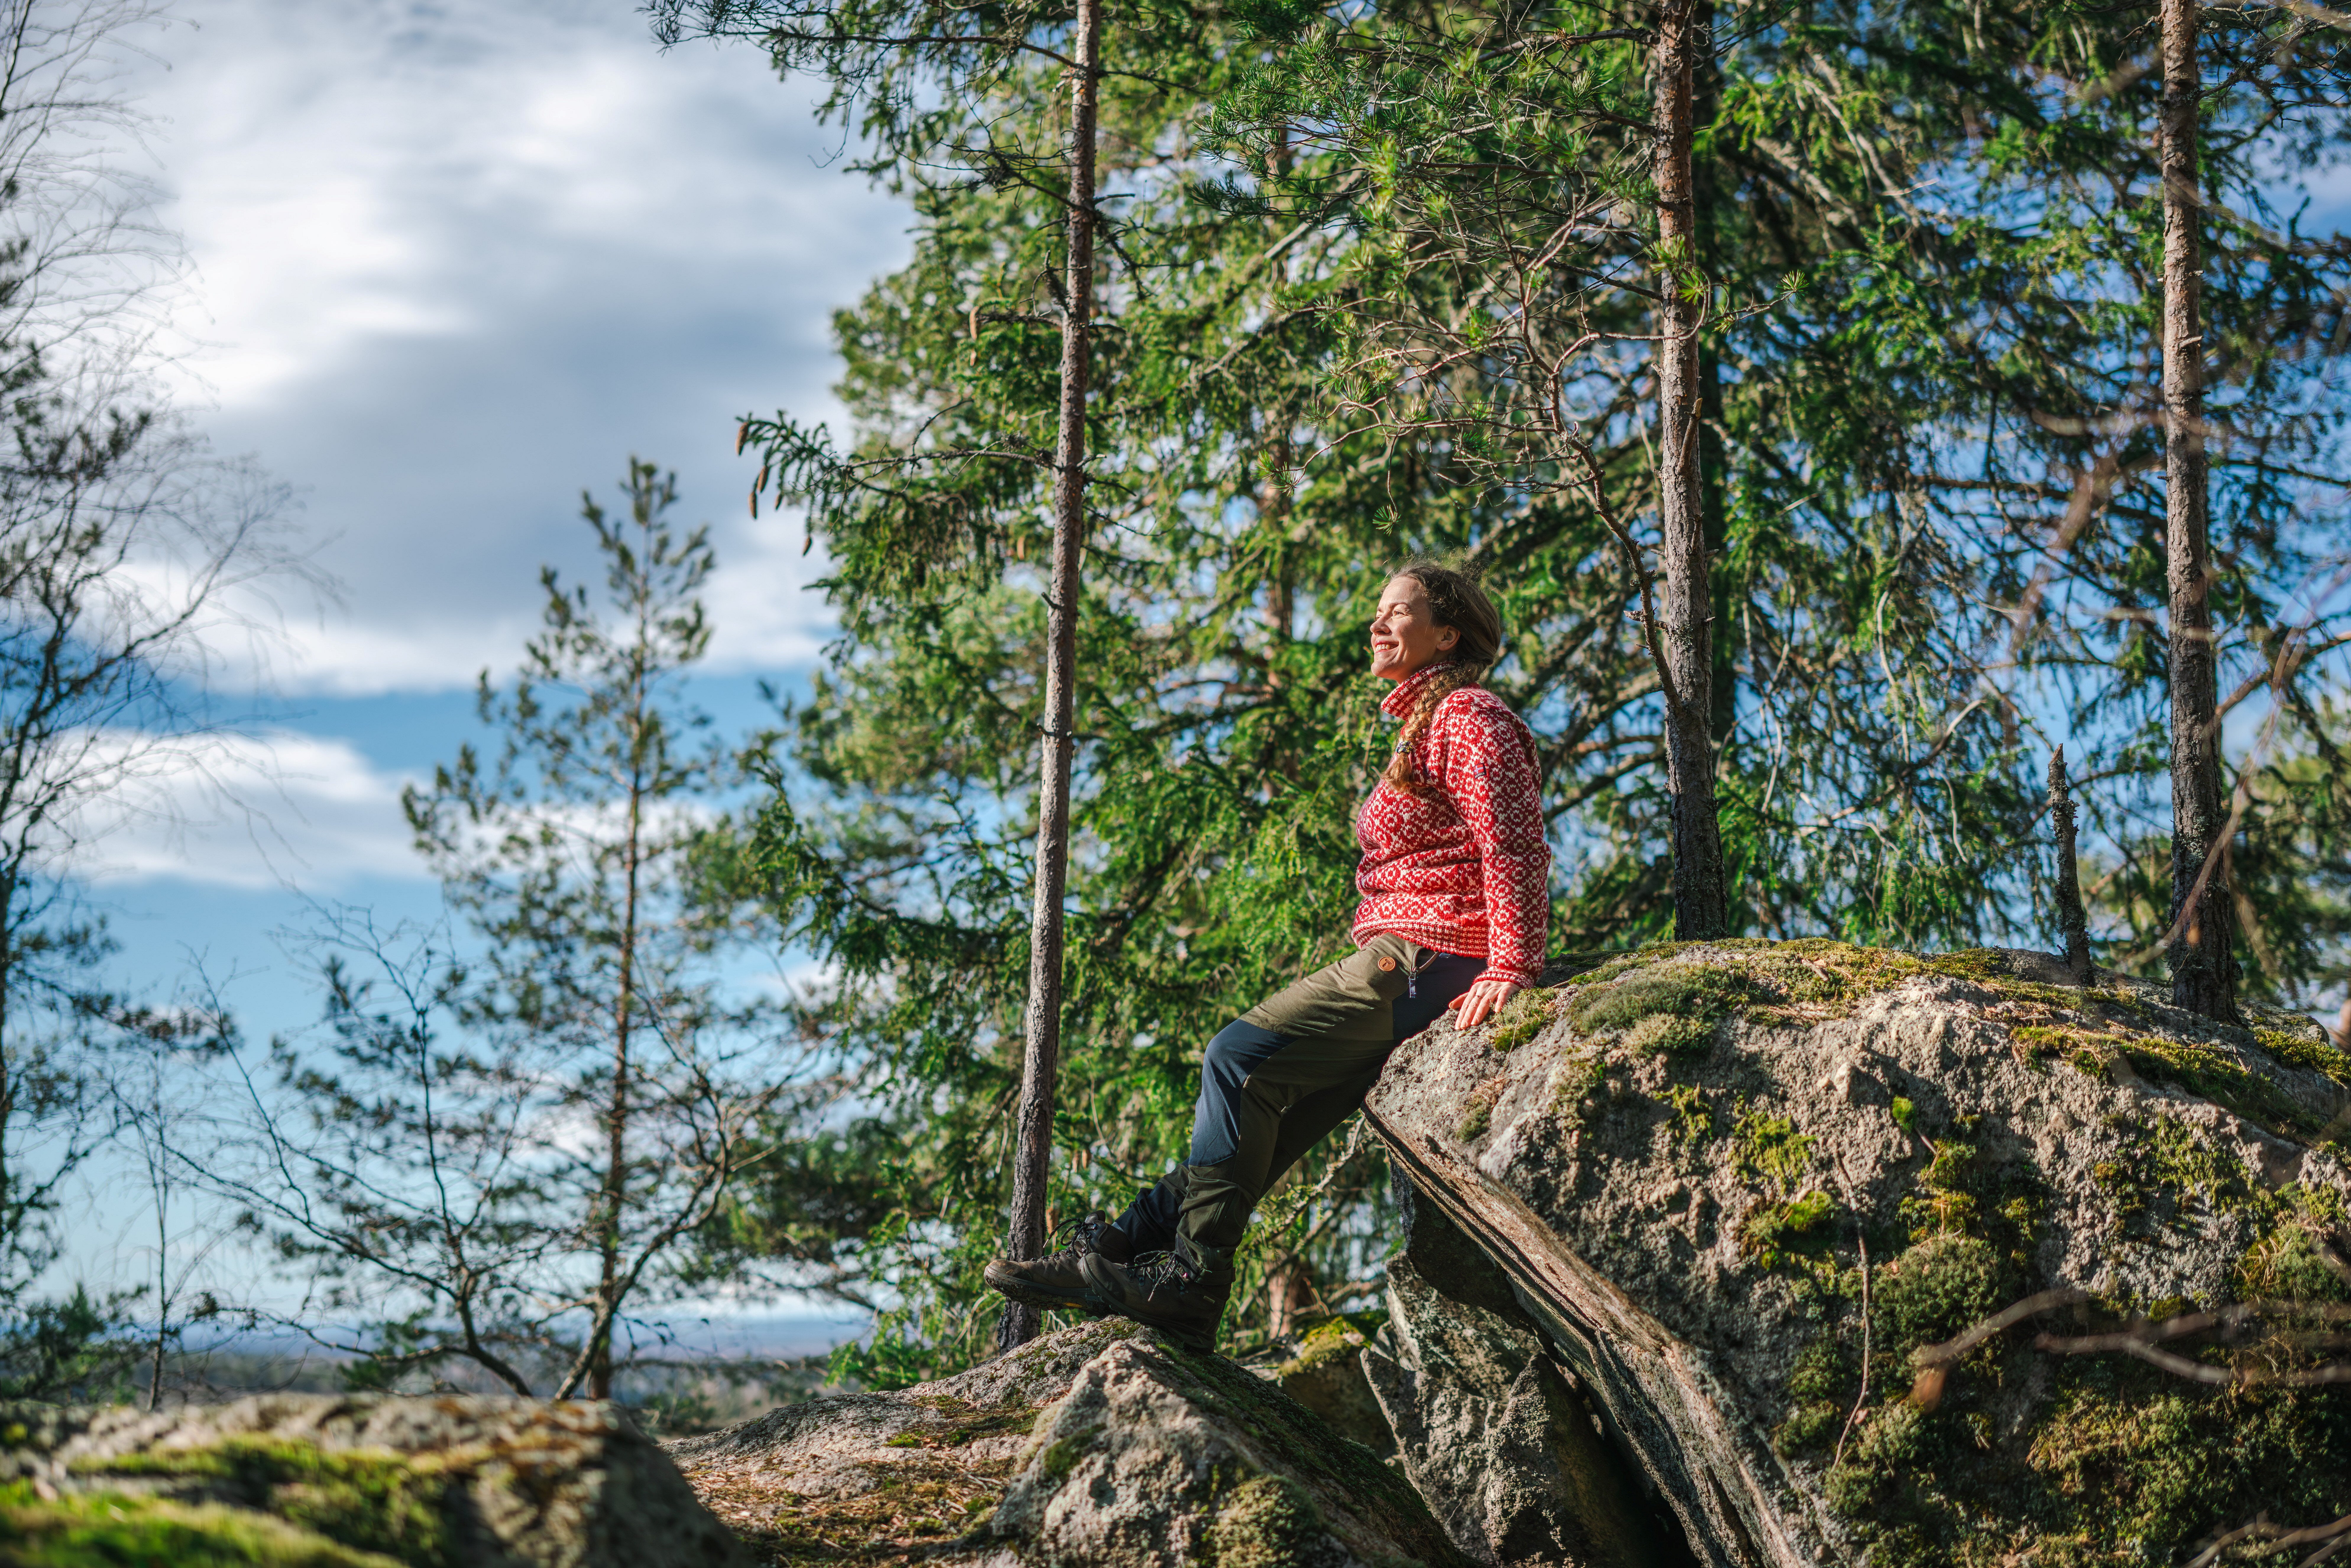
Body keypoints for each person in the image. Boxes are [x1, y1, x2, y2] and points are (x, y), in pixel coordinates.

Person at [985, 560, 1549, 1347]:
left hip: (1429, 957)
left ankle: (1189, 1286)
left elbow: (1514, 843)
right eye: (1378, 611)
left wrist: (1513, 965)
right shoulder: (1426, 723)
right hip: (1417, 957)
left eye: (1398, 611)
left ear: (1447, 634)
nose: (1378, 625)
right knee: (1264, 1132)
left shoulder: (1470, 716)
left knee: (1237, 1058)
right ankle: (1119, 1250)